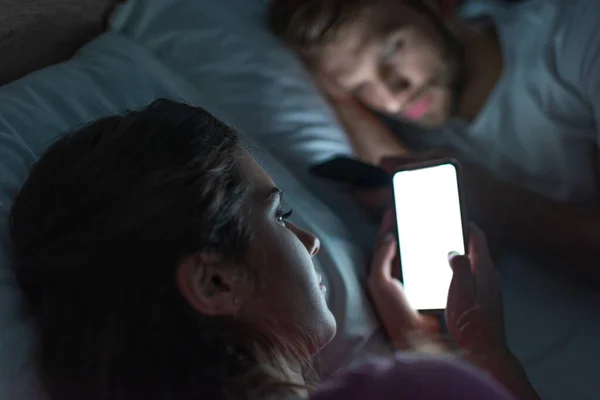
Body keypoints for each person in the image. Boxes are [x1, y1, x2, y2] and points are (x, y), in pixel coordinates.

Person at [10, 99, 537, 399]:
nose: (310, 242)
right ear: (214, 282)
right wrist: (480, 354)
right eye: (279, 215)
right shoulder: (414, 388)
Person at [267, 0, 600, 281]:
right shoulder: (416, 127)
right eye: (362, 87)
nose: (393, 91)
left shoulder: (577, 37)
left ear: (436, 7)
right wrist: (341, 100)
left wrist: (494, 202)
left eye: (392, 52)